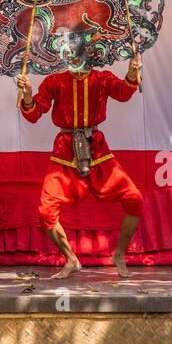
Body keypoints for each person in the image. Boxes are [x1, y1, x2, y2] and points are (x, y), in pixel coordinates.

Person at [16, 31, 144, 279]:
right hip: (65, 151)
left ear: (85, 55)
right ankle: (71, 258)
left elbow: (124, 92)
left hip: (97, 150)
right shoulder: (55, 82)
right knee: (45, 211)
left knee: (134, 199)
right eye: (67, 56)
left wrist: (131, 72)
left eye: (74, 55)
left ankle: (119, 253)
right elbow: (33, 115)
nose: (70, 59)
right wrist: (29, 95)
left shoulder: (101, 79)